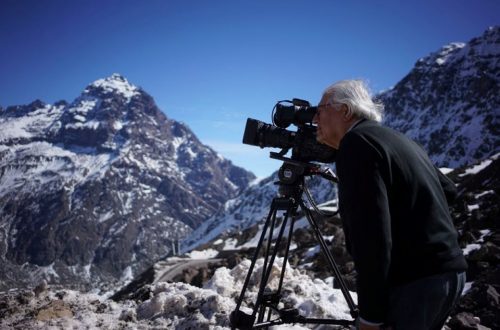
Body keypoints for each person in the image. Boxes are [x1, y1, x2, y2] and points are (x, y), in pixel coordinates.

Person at [312, 80, 467, 330]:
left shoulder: (356, 143)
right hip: (449, 274)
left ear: (345, 110)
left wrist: (370, 316)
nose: (314, 119)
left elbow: (371, 236)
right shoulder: (398, 139)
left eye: (319, 110)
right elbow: (449, 191)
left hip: (415, 284)